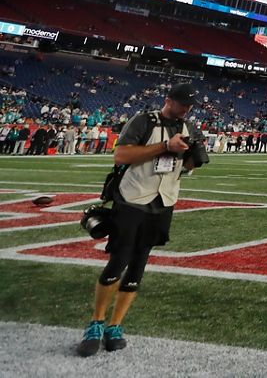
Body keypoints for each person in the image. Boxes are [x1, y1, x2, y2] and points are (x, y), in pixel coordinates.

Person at [77, 84, 207, 357]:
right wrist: (164, 146)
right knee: (118, 261)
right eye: (182, 103)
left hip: (163, 201)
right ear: (167, 99)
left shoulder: (190, 128)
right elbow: (121, 155)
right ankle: (96, 322)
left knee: (138, 266)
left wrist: (193, 155)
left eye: (190, 104)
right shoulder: (143, 121)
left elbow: (188, 167)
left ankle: (116, 325)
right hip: (133, 198)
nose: (186, 108)